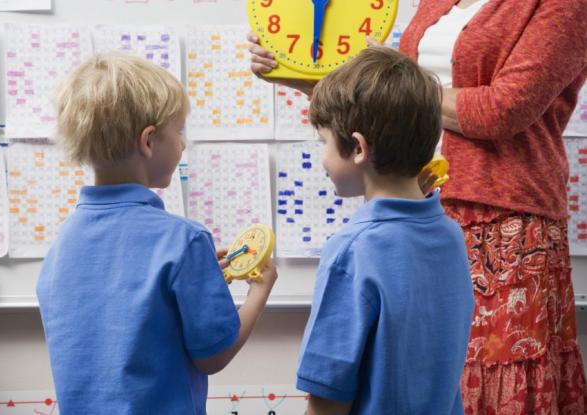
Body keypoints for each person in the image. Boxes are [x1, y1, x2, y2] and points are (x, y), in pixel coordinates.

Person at [249, 0, 587, 412]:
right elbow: (382, 113)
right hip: (426, 208)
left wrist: (388, 92)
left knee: (487, 379)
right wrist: (298, 70)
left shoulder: (563, 5)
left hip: (503, 223)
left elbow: (502, 110)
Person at [36, 53, 278, 415]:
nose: (183, 143)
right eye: (179, 131)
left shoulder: (62, 244)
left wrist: (196, 277)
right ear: (148, 141)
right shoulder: (184, 240)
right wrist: (259, 292)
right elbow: (214, 355)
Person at [295, 46, 474, 414]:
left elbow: (328, 398)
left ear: (358, 148)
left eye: (324, 142)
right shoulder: (450, 236)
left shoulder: (352, 249)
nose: (322, 157)